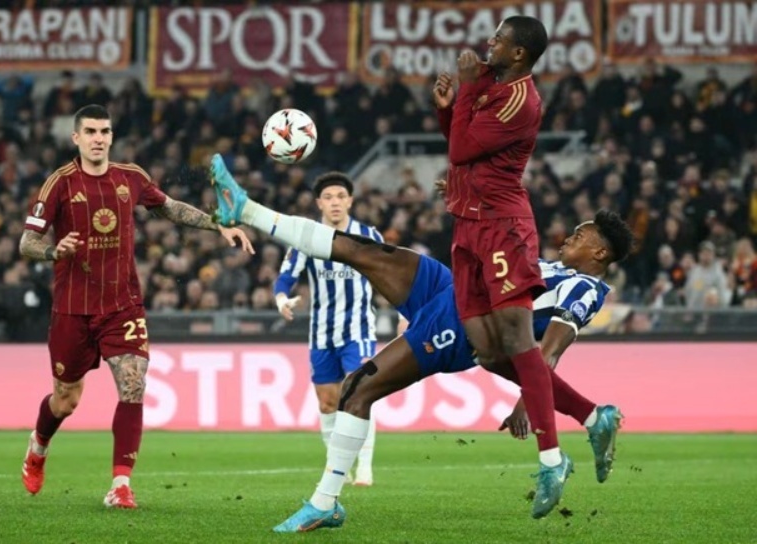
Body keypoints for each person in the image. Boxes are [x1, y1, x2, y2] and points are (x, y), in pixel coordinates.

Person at [208, 154, 634, 531]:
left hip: (459, 328)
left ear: (600, 254)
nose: (569, 238)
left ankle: (324, 503)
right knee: (362, 250)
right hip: (451, 289)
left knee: (356, 390)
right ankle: (247, 209)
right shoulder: (556, 269)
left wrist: (529, 402)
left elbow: (548, 351)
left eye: (581, 237)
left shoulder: (584, 289)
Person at [18, 105, 254, 509]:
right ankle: (38, 447)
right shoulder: (59, 183)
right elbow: (27, 243)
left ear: (112, 136)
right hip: (73, 308)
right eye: (90, 131)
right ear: (76, 138)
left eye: (104, 131)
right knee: (66, 400)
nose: (98, 138)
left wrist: (217, 223)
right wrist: (54, 251)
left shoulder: (131, 177)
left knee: (133, 383)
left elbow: (170, 207)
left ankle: (121, 485)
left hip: (122, 304)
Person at [433, 16, 569, 517]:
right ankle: (586, 411)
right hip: (466, 225)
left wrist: (467, 89)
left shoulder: (519, 100)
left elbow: (461, 148)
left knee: (516, 337)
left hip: (501, 226)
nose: (489, 43)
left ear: (518, 53)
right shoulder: (490, 83)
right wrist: (449, 108)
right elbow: (461, 148)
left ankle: (551, 458)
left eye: (499, 39)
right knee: (486, 350)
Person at [273, 172, 382, 486]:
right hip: (321, 334)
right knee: (327, 403)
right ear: (319, 203)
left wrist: (405, 311)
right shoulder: (307, 237)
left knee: (359, 393)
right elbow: (286, 277)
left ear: (350, 201)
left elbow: (390, 274)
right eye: (328, 197)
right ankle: (338, 466)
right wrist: (281, 299)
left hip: (359, 331)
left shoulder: (368, 235)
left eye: (340, 196)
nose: (335, 202)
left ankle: (365, 468)